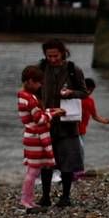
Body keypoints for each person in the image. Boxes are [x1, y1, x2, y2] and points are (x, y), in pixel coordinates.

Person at [35, 40, 90, 207]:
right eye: (49, 56)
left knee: (68, 162)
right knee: (45, 163)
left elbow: (84, 93)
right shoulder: (40, 70)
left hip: (68, 124)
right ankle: (45, 197)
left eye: (55, 56)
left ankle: (65, 197)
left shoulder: (74, 70)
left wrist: (71, 93)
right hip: (46, 122)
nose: (52, 59)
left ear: (63, 53)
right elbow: (32, 90)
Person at [18, 65, 56, 214]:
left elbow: (36, 116)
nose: (40, 85)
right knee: (33, 171)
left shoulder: (23, 96)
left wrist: (48, 112)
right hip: (35, 137)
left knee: (32, 170)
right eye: (38, 82)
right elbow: (39, 119)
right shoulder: (31, 99)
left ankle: (29, 199)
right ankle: (26, 200)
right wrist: (53, 114)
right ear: (30, 81)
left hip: (30, 135)